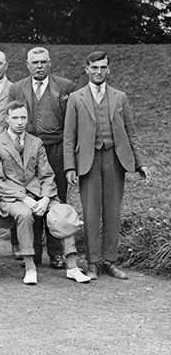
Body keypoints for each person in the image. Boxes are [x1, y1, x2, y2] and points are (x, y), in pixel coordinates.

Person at [64, 51, 151, 280]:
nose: (99, 71)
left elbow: (130, 132)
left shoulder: (120, 97)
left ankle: (110, 262)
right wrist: (69, 167)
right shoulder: (76, 98)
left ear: (109, 69)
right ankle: (93, 263)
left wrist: (140, 162)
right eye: (94, 68)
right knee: (91, 213)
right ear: (87, 69)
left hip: (114, 159)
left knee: (112, 212)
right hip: (88, 161)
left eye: (103, 67)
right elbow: (69, 136)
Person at [0, 101, 90, 285]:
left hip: (39, 193)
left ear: (28, 119)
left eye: (23, 118)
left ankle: (72, 267)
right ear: (7, 119)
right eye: (15, 118)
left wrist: (46, 198)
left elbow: (47, 174)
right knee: (25, 215)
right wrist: (24, 198)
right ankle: (30, 266)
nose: (19, 122)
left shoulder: (36, 142)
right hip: (12, 197)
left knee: (62, 212)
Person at [7, 47, 76, 269]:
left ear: (50, 63)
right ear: (27, 65)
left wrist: (69, 157)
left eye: (43, 62)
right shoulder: (17, 88)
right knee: (31, 198)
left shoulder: (65, 87)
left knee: (55, 199)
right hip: (27, 152)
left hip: (55, 149)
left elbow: (71, 124)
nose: (39, 66)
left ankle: (56, 252)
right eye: (35, 62)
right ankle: (33, 251)